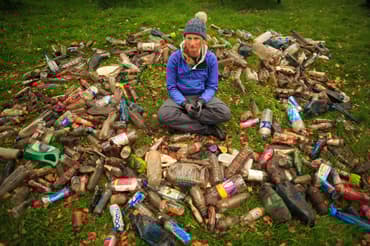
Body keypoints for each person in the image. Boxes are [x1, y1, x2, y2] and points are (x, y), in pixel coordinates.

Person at [157, 17, 231, 140]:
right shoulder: (175, 58)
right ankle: (207, 129)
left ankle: (183, 120)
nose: (192, 43)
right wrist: (184, 103)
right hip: (180, 98)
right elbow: (171, 87)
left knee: (225, 113)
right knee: (163, 115)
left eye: (196, 38)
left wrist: (202, 101)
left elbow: (212, 86)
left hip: (201, 97)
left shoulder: (210, 58)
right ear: (184, 39)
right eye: (189, 38)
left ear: (203, 40)